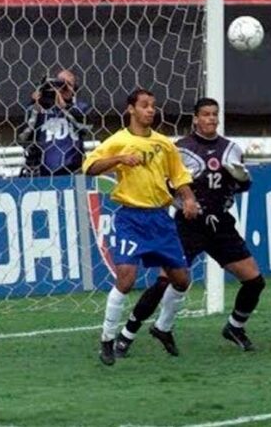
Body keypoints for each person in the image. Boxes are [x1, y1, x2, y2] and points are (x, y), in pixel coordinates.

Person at [113, 98, 265, 357]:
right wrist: (184, 201)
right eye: (206, 114)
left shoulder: (232, 149)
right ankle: (126, 336)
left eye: (214, 115)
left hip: (220, 224)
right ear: (195, 118)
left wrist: (243, 179)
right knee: (165, 281)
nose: (211, 119)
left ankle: (235, 327)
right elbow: (165, 185)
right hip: (189, 225)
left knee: (254, 281)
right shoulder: (179, 150)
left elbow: (240, 186)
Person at [82, 88, 199, 366]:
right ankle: (107, 339)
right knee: (126, 278)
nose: (150, 110)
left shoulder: (164, 144)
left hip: (160, 219)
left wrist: (189, 198)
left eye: (153, 106)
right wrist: (120, 159)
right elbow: (89, 167)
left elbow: (179, 176)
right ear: (131, 109)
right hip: (131, 218)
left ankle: (163, 328)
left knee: (182, 279)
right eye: (144, 106)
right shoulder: (119, 140)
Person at [18, 69, 92, 177]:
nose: (63, 88)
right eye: (60, 83)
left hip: (74, 170)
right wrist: (34, 106)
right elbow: (22, 137)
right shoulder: (40, 109)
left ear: (75, 89)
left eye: (68, 85)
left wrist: (65, 107)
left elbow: (86, 127)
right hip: (43, 172)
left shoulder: (81, 107)